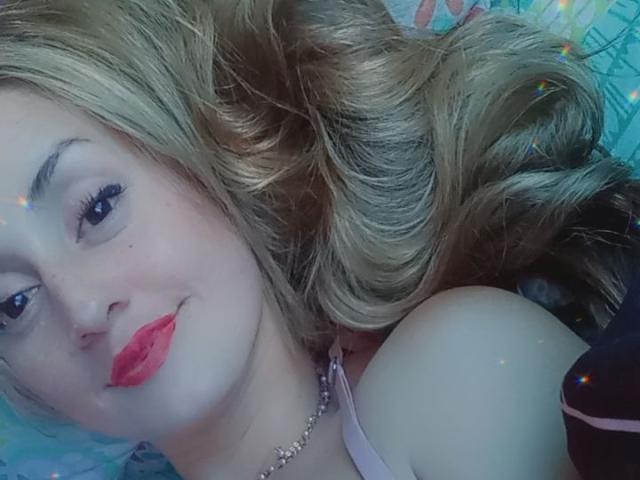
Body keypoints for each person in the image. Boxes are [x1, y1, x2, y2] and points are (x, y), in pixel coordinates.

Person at [0, 1, 637, 478]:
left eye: (98, 208)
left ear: (202, 152)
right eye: (12, 303)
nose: (84, 307)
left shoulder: (455, 370)